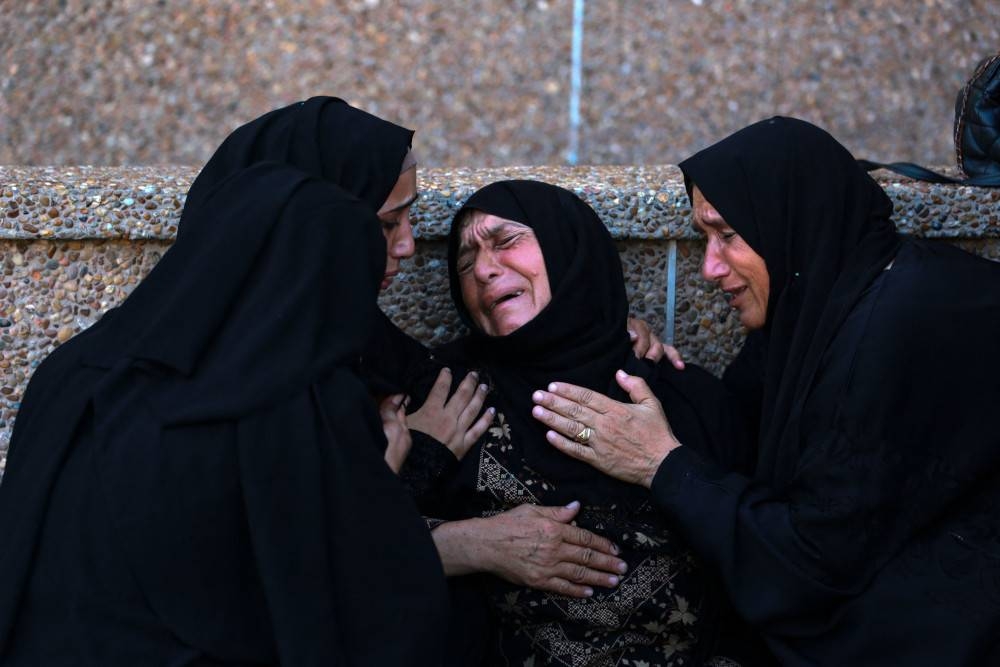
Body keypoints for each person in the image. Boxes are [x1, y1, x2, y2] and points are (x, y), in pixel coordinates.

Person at [531, 117, 1000, 664]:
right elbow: (737, 432)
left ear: (792, 221)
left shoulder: (901, 327)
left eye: (727, 234)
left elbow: (814, 564)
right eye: (704, 237)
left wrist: (662, 464)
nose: (709, 267)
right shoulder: (825, 299)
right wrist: (619, 344)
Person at [0, 101, 452, 665]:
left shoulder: (73, 374)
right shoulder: (292, 400)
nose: (406, 245)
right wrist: (391, 476)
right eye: (382, 225)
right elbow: (328, 603)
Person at [412, 180, 766, 665]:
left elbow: (763, 562)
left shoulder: (684, 396)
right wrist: (471, 542)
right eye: (465, 262)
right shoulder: (446, 397)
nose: (484, 270)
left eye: (506, 241)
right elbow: (358, 543)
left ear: (568, 248)